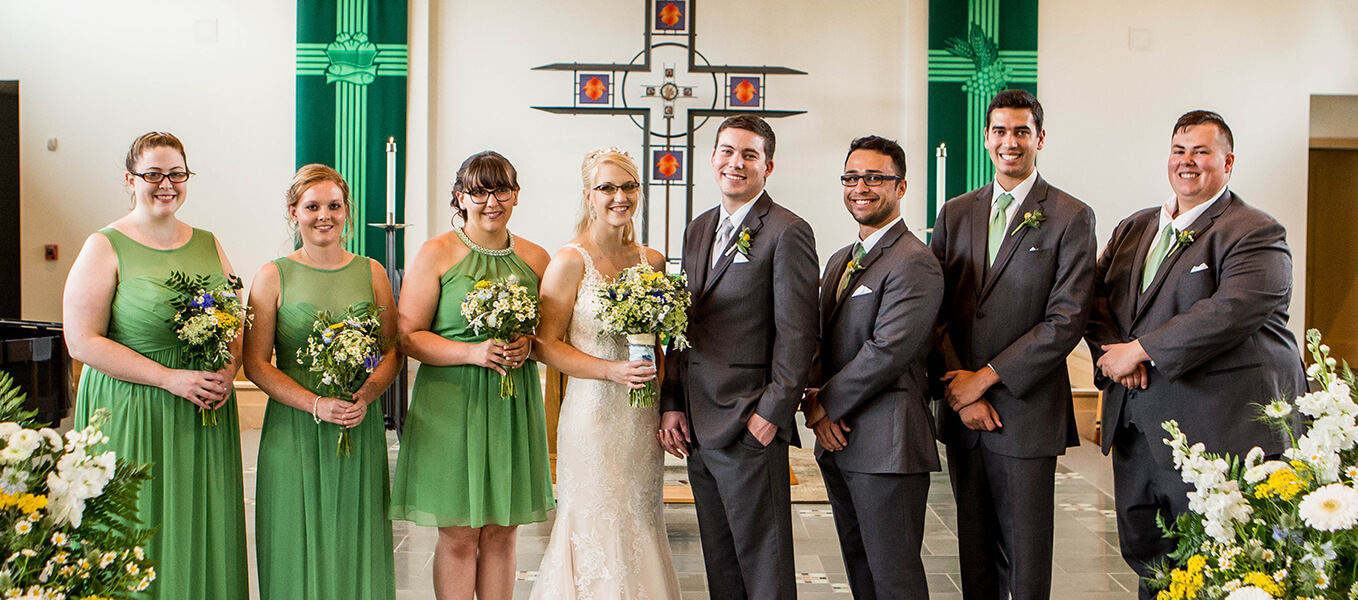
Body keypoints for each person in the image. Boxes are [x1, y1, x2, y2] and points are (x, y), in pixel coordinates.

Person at [1084, 110, 1306, 599]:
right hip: (1137, 427)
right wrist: (1115, 357)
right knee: (1150, 560)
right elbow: (1095, 301)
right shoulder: (1134, 227)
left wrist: (1141, 351)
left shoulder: (1255, 231)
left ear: (1228, 161)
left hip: (1214, 429)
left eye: (1201, 152)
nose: (1188, 162)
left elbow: (1230, 311)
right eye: (1179, 150)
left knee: (1213, 562)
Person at [62, 131, 248, 599]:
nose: (167, 184)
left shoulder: (209, 242)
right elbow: (81, 341)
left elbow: (236, 319)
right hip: (134, 407)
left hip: (199, 411)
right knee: (135, 525)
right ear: (131, 180)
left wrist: (226, 370)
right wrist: (170, 378)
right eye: (153, 174)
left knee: (196, 518)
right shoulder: (103, 245)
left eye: (177, 174)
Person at [930, 89, 1097, 600]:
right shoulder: (955, 213)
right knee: (974, 556)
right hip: (964, 412)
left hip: (1025, 411)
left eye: (1021, 131)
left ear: (1039, 138)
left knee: (1026, 561)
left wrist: (984, 381)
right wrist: (962, 390)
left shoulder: (1071, 215)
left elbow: (1066, 319)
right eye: (1000, 131)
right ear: (985, 139)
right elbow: (932, 309)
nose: (1010, 142)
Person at [658, 114, 819, 599]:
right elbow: (682, 325)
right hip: (698, 425)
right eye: (727, 151)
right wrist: (671, 401)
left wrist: (770, 416)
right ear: (712, 159)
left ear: (768, 166)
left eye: (750, 154)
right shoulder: (698, 229)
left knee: (764, 567)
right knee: (721, 564)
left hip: (750, 422)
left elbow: (799, 333)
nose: (736, 162)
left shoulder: (788, 231)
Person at [388, 151, 554, 600]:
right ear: (460, 197)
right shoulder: (436, 252)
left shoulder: (537, 258)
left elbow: (551, 336)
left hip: (511, 404)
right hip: (450, 401)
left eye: (500, 189)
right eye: (478, 191)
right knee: (460, 533)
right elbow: (408, 336)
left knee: (503, 530)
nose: (490, 201)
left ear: (516, 195)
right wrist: (472, 351)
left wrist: (529, 344)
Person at [529, 146, 681, 599]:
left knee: (640, 514)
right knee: (594, 515)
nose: (619, 196)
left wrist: (668, 401)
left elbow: (660, 343)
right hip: (593, 415)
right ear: (588, 195)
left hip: (641, 414)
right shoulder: (570, 261)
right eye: (607, 187)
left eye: (628, 186)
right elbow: (545, 345)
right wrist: (609, 370)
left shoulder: (651, 262)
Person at [243, 164, 400, 599]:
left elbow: (392, 351)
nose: (324, 215)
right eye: (312, 206)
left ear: (347, 211)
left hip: (355, 420)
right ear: (294, 213)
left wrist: (365, 396)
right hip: (294, 427)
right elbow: (255, 363)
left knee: (355, 530)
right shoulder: (272, 275)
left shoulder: (372, 273)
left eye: (334, 205)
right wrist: (315, 404)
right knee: (294, 532)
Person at [803, 135, 943, 600]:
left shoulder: (915, 261)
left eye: (876, 178)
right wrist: (810, 396)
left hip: (888, 442)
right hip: (840, 442)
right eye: (852, 177)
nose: (861, 187)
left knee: (895, 577)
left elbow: (887, 351)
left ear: (901, 187)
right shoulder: (840, 259)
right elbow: (822, 341)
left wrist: (824, 406)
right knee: (861, 572)